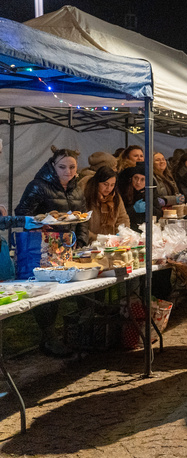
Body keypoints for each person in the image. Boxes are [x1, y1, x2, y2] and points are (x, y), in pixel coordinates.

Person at [15, 146, 90, 357]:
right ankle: (48, 337)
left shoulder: (76, 189)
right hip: (42, 246)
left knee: (63, 289)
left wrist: (81, 240)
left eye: (72, 167)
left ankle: (64, 334)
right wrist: (37, 224)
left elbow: (82, 217)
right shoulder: (38, 186)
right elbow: (21, 213)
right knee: (46, 290)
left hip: (66, 246)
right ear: (53, 166)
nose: (68, 171)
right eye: (62, 167)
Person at [84, 166, 130, 240]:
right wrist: (98, 238)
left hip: (112, 243)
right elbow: (81, 227)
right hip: (90, 243)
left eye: (112, 185)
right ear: (97, 183)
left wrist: (121, 234)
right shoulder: (86, 196)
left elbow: (122, 218)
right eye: (105, 184)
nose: (108, 188)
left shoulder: (116, 197)